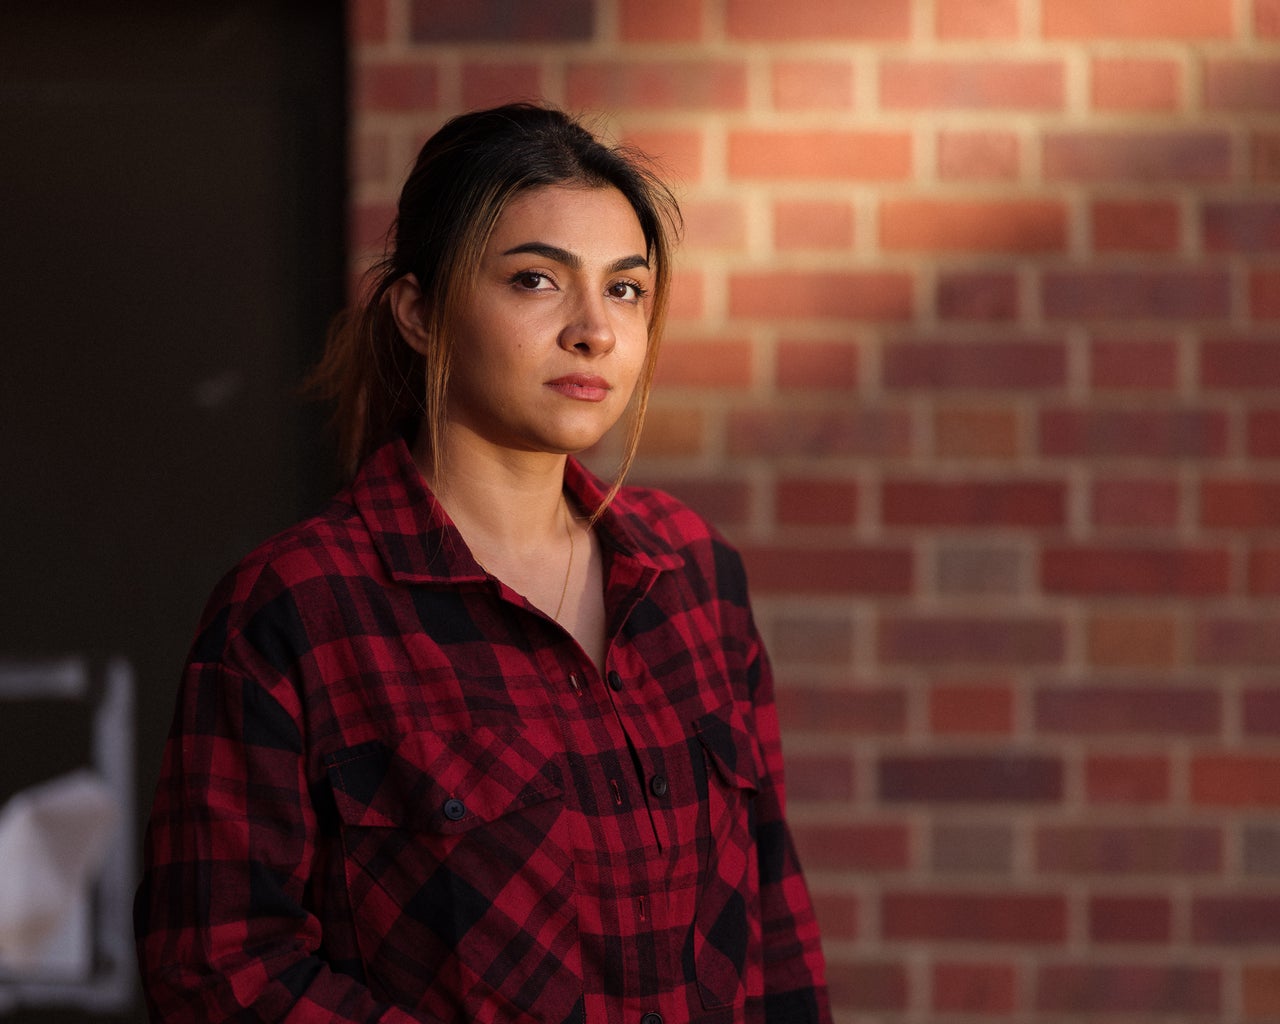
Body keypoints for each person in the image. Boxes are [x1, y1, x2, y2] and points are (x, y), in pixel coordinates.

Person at [134, 103, 832, 1024]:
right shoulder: (300, 608)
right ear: (420, 312)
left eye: (625, 289)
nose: (594, 331)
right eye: (538, 280)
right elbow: (218, 970)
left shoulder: (692, 575)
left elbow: (775, 929)